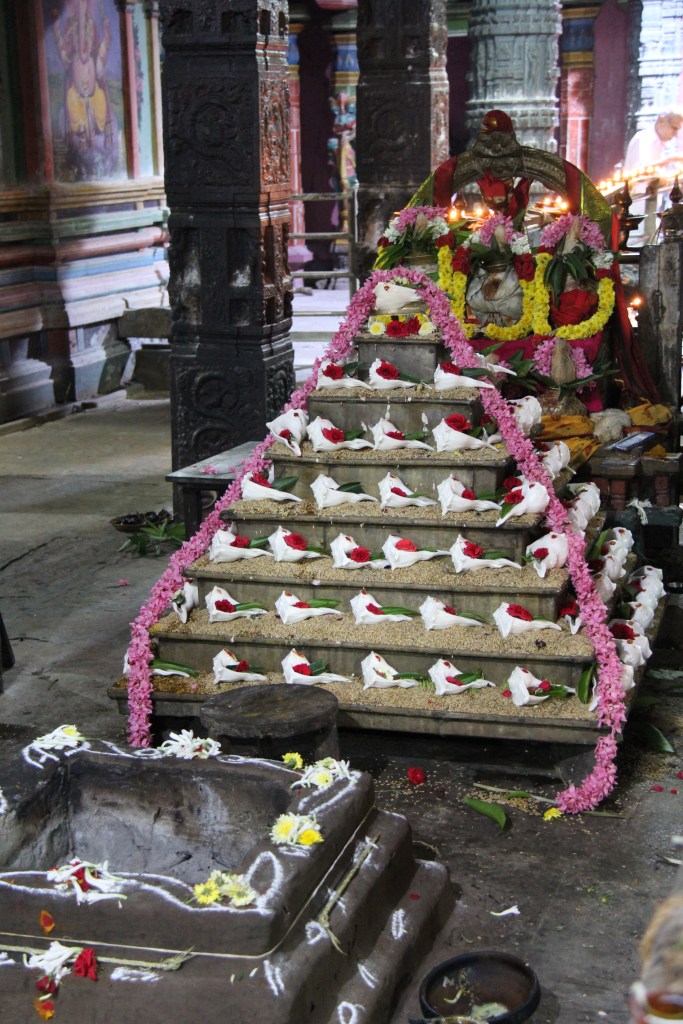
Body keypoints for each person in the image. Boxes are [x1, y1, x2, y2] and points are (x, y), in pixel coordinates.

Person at [623, 111, 683, 175]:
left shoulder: (664, 143)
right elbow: (640, 171)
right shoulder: (643, 138)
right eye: (674, 128)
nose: (675, 134)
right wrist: (671, 159)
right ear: (662, 120)